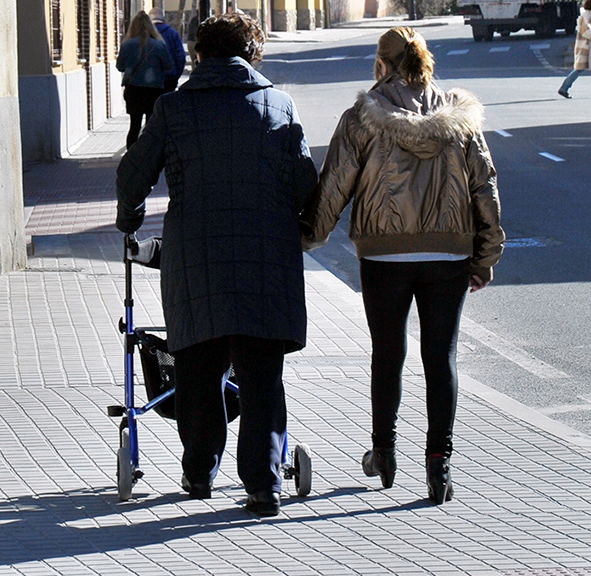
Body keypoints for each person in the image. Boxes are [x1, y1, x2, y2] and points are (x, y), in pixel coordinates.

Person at [116, 13, 318, 516]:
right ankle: (263, 485)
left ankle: (199, 472)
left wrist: (131, 219)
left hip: (195, 264)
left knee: (199, 370)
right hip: (265, 260)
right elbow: (305, 188)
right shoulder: (280, 106)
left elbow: (132, 174)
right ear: (253, 54)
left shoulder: (173, 108)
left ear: (200, 54)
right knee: (261, 376)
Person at [299, 27, 505, 505]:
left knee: (387, 353)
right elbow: (484, 188)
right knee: (441, 357)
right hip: (448, 255)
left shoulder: (362, 119)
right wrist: (485, 256)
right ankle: (440, 464)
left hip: (384, 255)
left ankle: (384, 452)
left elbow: (335, 187)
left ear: (383, 65)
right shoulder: (460, 120)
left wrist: (308, 236)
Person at [116, 11, 173, 149]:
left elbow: (120, 67)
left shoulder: (127, 45)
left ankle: (131, 158)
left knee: (134, 125)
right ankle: (148, 156)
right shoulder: (159, 45)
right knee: (151, 126)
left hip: (133, 90)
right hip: (154, 90)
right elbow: (168, 66)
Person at [558, 0, 591, 98]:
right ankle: (564, 88)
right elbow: (587, 31)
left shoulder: (586, 15)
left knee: (579, 69)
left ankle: (564, 88)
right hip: (586, 47)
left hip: (585, 47)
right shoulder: (587, 16)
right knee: (578, 69)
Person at [150, 7, 187, 91]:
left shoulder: (146, 35)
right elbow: (180, 57)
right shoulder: (173, 33)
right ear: (163, 19)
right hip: (170, 78)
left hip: (151, 80)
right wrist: (176, 75)